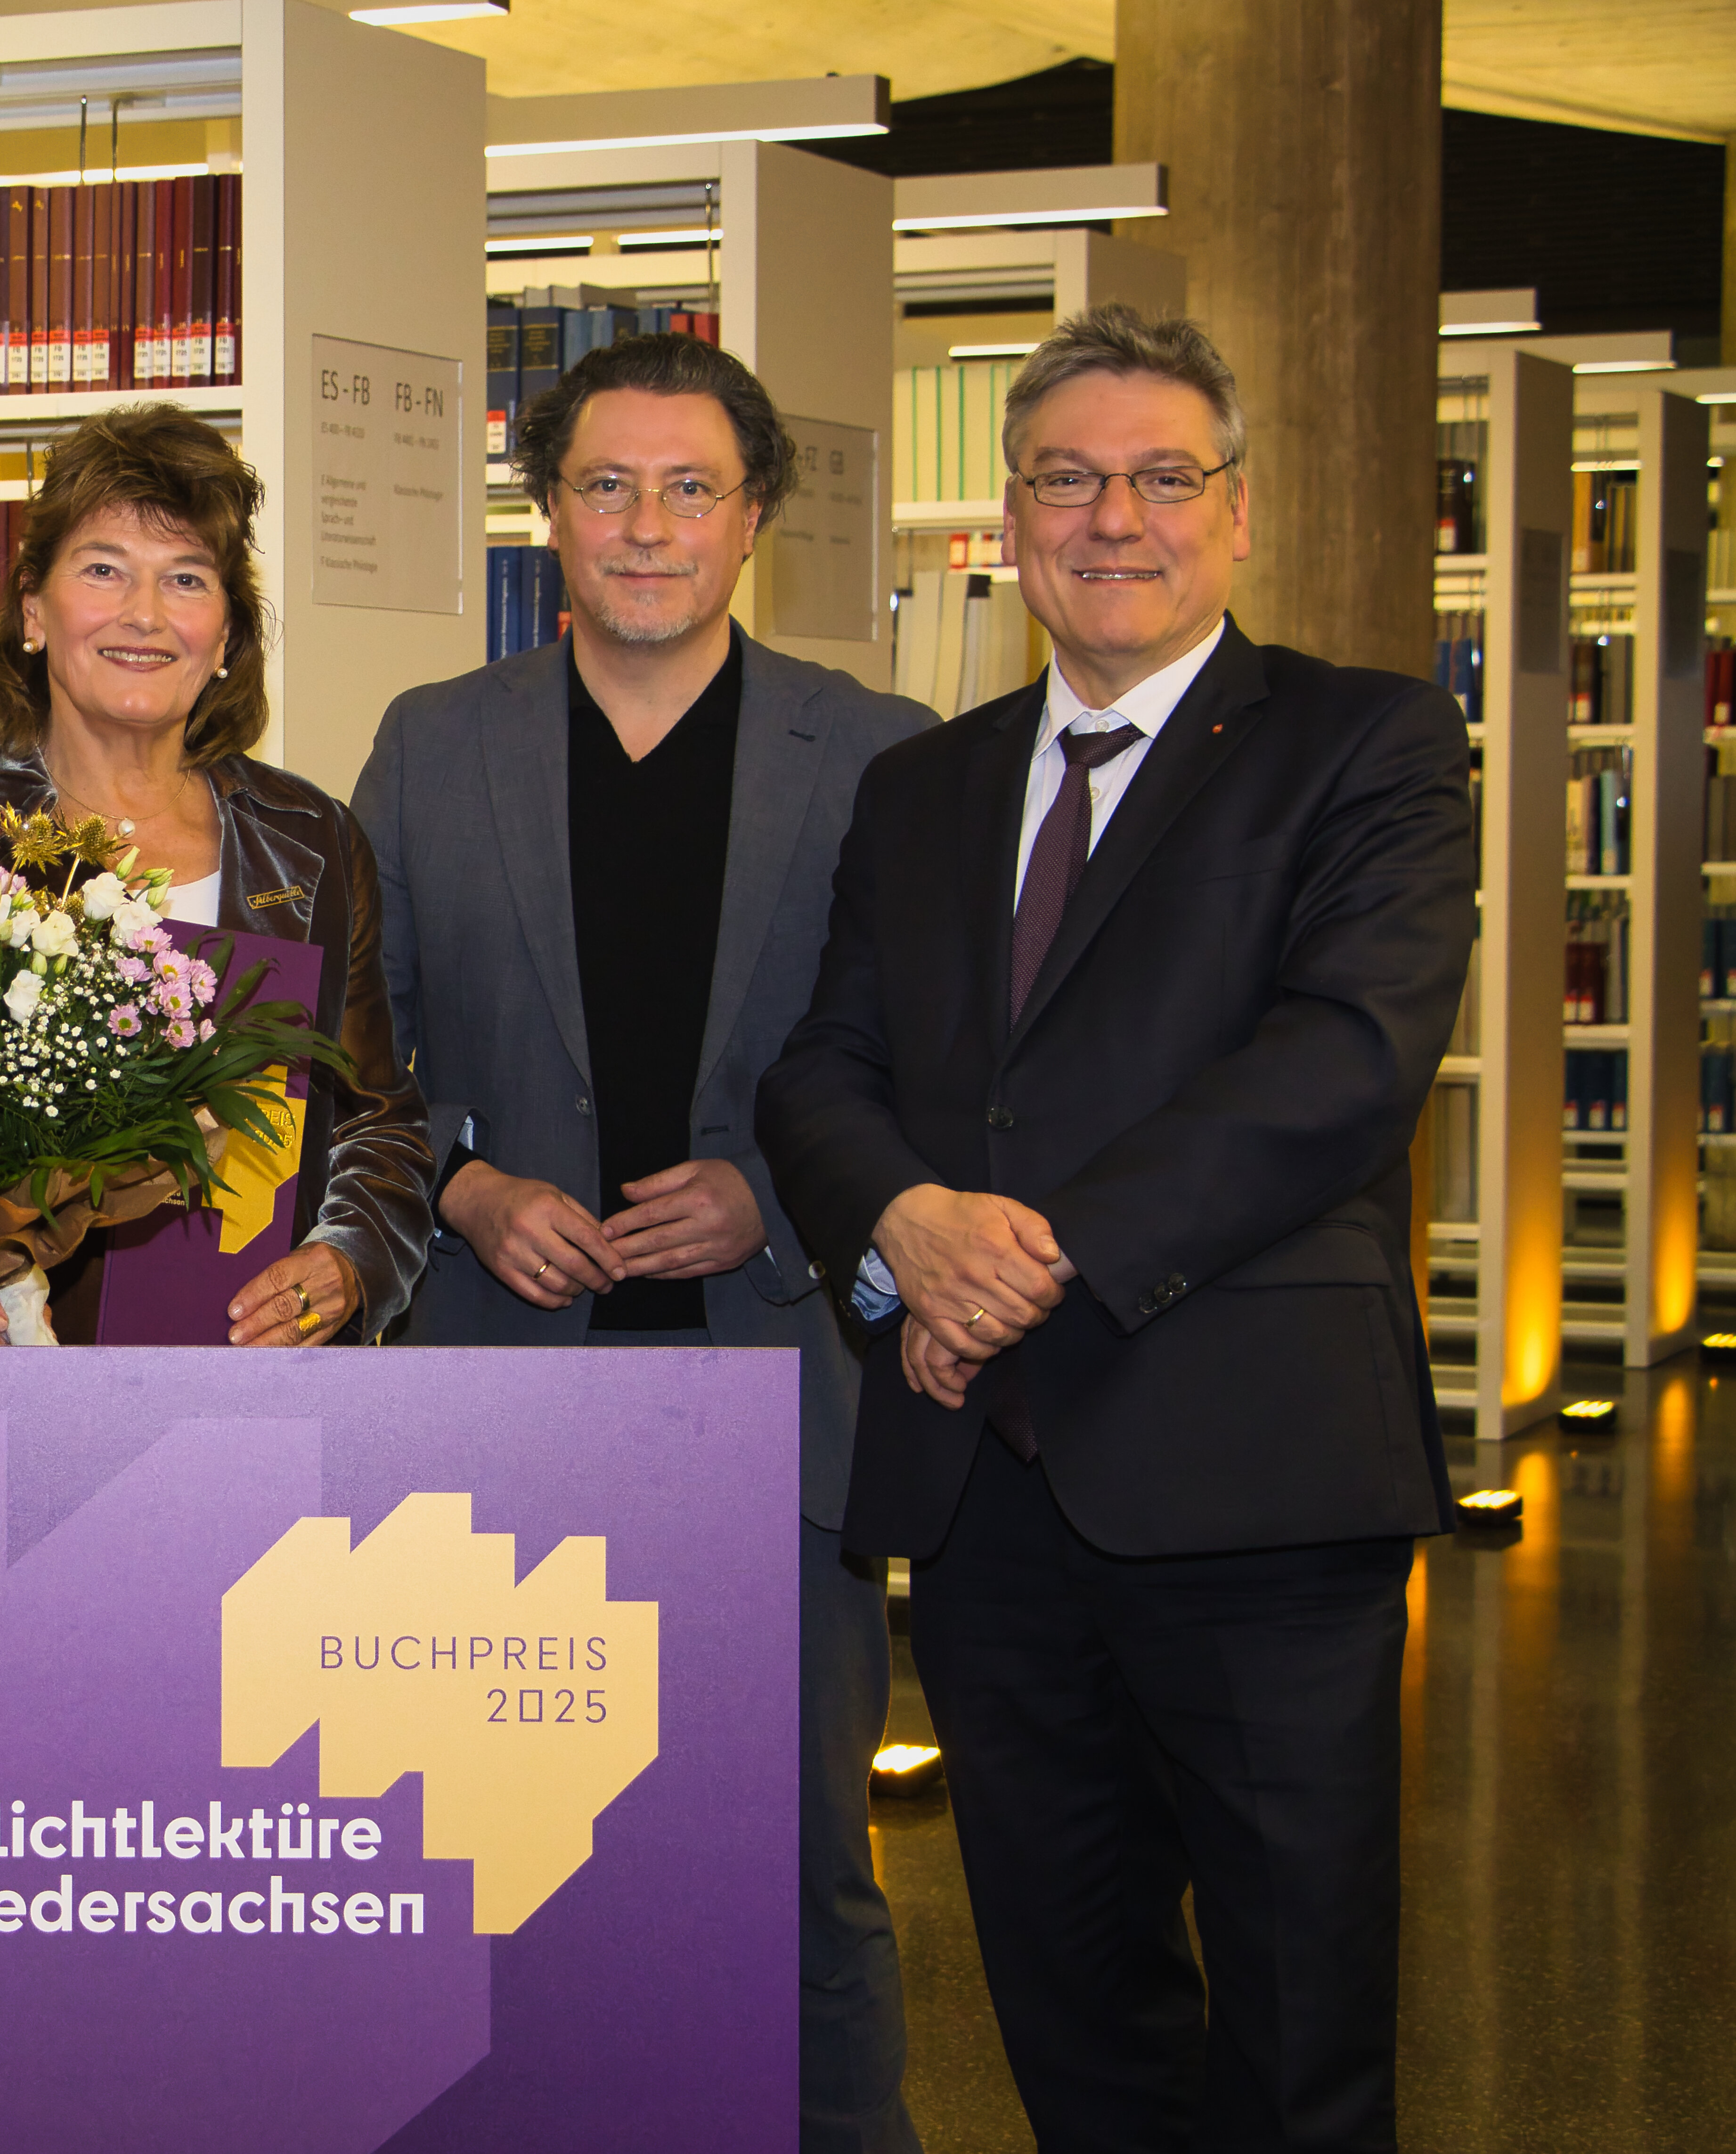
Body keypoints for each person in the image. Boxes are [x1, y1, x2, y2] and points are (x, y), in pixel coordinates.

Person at [757, 304, 1473, 2150]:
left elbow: (1341, 1061)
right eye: (1066, 479)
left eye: (1162, 475)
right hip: (986, 1494)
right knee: (1070, 2012)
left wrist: (1024, 1259)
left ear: (1236, 508)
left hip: (1252, 1481)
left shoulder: (1363, 743)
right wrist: (903, 1225)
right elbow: (824, 1067)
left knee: (1299, 2022)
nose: (1112, 518)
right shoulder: (922, 785)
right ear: (1008, 518)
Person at [354, 331, 931, 2154]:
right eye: (606, 486)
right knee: (499, 1869)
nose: (648, 525)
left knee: (800, 1878)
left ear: (755, 518)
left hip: (770, 1390)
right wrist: (464, 1185)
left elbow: (937, 1067)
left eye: (691, 488)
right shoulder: (433, 744)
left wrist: (780, 1187)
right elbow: (349, 1058)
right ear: (549, 510)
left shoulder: (882, 754)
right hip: (499, 1398)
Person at [0, 402, 434, 1346]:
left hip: (255, 1378)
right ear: (33, 609)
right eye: (103, 569)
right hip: (18, 1384)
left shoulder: (314, 841)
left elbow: (375, 1120)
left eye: (186, 578)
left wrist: (350, 1263)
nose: (145, 614)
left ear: (228, 633)